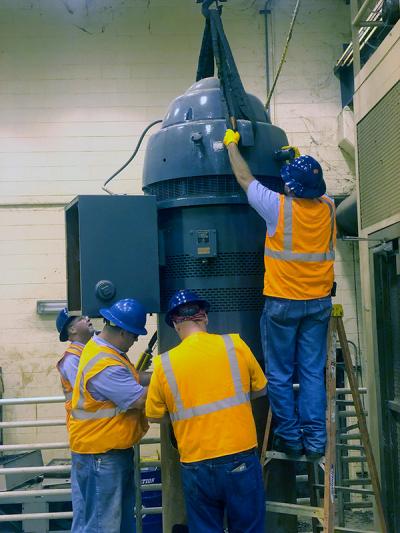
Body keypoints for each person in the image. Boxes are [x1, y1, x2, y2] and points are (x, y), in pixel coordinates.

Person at [223, 130, 336, 460]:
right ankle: (315, 442)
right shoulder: (328, 208)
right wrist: (296, 164)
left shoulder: (277, 208)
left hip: (283, 305)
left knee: (280, 374)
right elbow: (308, 190)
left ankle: (289, 436)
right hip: (318, 305)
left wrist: (231, 144)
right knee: (313, 372)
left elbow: (244, 177)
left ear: (291, 188)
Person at [145, 289, 267, 533]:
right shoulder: (235, 344)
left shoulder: (163, 364)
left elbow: (154, 415)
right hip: (239, 455)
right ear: (205, 318)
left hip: (195, 462)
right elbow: (261, 389)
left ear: (175, 325)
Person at [69, 298, 150, 533]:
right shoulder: (105, 364)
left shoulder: (103, 350)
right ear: (123, 332)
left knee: (112, 523)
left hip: (105, 452)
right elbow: (139, 399)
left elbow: (131, 379)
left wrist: (159, 375)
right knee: (103, 526)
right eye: (135, 335)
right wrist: (171, 384)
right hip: (102, 455)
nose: (135, 340)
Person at [55, 308, 95, 428]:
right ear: (72, 329)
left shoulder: (90, 350)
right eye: (81, 318)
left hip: (94, 421)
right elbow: (85, 390)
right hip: (84, 425)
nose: (87, 318)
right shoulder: (71, 359)